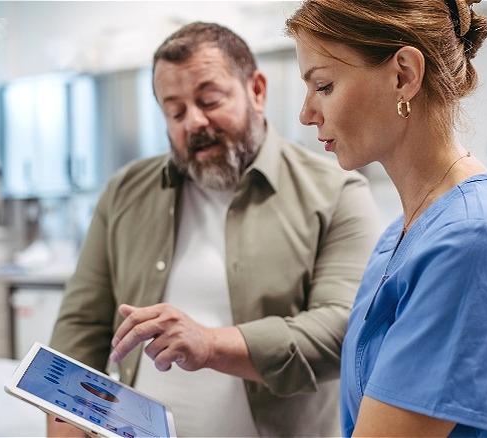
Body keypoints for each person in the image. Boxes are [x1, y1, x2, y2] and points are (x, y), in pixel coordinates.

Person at [48, 22, 382, 437]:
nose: (193, 121)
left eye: (209, 100)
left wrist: (210, 343)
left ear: (256, 91)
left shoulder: (337, 193)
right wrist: (65, 427)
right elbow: (80, 329)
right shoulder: (124, 192)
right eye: (175, 111)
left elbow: (342, 333)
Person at [285, 0, 487, 436]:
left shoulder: (474, 237)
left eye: (324, 86)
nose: (307, 113)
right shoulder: (405, 233)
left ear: (403, 75)